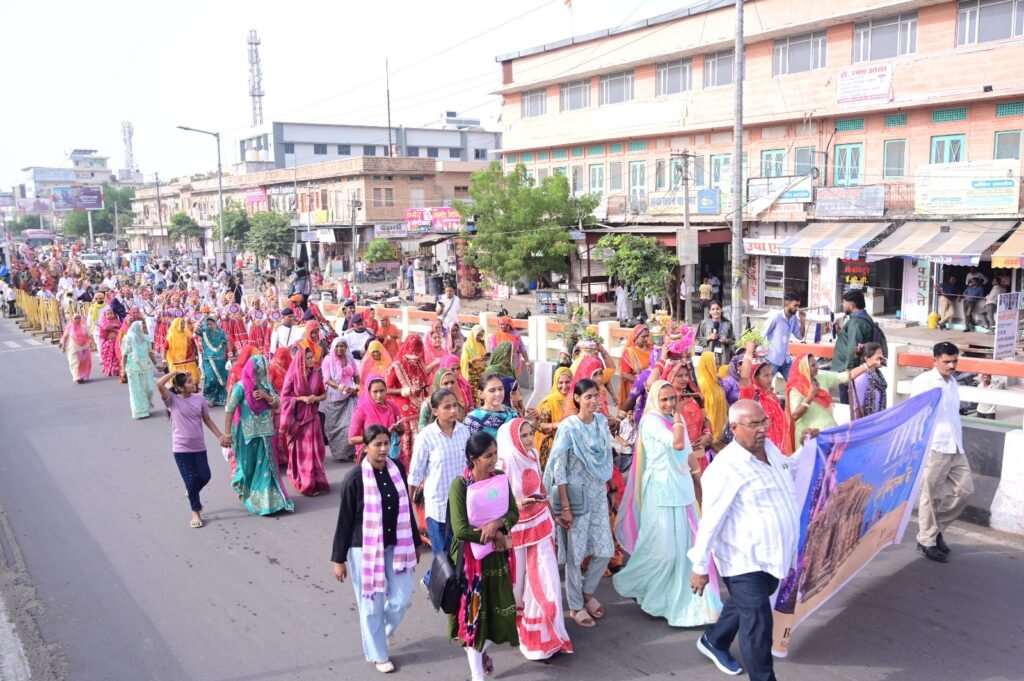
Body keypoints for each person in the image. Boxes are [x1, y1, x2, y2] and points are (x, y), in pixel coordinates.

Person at [688, 400, 801, 681]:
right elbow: (710, 519)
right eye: (754, 424)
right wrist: (700, 566)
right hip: (742, 560)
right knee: (758, 623)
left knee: (746, 605)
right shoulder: (725, 468)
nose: (762, 429)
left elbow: (789, 469)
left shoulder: (771, 451)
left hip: (773, 556)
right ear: (735, 428)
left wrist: (808, 448)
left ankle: (714, 640)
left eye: (764, 421)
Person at [614, 381, 723, 627]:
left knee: (683, 550)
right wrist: (676, 418)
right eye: (663, 399)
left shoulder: (676, 420)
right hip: (660, 491)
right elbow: (677, 444)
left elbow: (686, 455)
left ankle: (675, 601)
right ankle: (638, 583)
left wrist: (698, 480)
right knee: (663, 552)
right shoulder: (652, 422)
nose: (669, 403)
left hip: (681, 488)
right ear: (654, 400)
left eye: (672, 399)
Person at [331, 424, 422, 675]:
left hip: (397, 544)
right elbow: (345, 521)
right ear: (366, 447)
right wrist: (339, 559)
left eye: (386, 443)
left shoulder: (397, 469)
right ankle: (378, 654)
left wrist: (415, 541)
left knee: (402, 598)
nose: (383, 449)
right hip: (364, 548)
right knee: (371, 604)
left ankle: (379, 633)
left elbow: (406, 509)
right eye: (377, 444)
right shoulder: (354, 478)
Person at [495, 418, 573, 660]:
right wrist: (517, 505)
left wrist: (552, 515)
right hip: (516, 531)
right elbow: (498, 500)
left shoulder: (534, 454)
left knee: (546, 580)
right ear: (511, 438)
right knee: (518, 585)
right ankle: (524, 628)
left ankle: (548, 634)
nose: (529, 440)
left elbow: (540, 488)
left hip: (540, 527)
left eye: (531, 434)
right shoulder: (505, 462)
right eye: (525, 436)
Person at [447, 431, 519, 681]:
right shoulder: (460, 484)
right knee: (474, 617)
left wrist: (498, 524)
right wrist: (492, 535)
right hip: (470, 563)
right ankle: (477, 674)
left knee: (499, 609)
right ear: (473, 458)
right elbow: (460, 529)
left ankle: (483, 652)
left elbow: (513, 512)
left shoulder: (499, 478)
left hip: (497, 557)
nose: (494, 460)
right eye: (488, 456)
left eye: (496, 453)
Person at [545, 378, 615, 628]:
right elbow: (559, 469)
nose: (595, 400)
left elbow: (605, 458)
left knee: (605, 549)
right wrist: (564, 506)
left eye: (597, 396)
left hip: (597, 495)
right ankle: (575, 606)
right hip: (574, 498)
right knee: (575, 554)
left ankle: (586, 592)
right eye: (589, 397)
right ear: (577, 399)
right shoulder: (569, 428)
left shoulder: (601, 422)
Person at [911, 342, 973, 563]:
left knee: (965, 490)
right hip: (935, 446)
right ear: (934, 360)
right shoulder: (924, 383)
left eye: (955, 361)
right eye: (947, 361)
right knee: (930, 497)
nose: (952, 365)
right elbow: (916, 414)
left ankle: (935, 531)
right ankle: (926, 541)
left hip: (956, 445)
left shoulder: (954, 382)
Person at [409, 389, 470, 583]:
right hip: (438, 507)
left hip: (461, 504)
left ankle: (439, 584)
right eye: (447, 407)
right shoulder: (426, 437)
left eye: (455, 406)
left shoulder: (464, 431)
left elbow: (469, 466)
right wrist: (408, 508)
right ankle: (432, 584)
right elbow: (415, 473)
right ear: (435, 411)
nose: (453, 410)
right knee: (442, 555)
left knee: (458, 552)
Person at [157, 371, 232, 529]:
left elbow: (207, 420)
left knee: (205, 476)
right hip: (181, 449)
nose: (193, 383)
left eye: (193, 381)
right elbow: (159, 384)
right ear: (180, 387)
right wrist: (175, 372)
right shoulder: (172, 400)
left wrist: (220, 437)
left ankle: (191, 490)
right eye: (189, 382)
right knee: (191, 481)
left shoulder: (200, 399)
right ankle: (195, 512)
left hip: (199, 447)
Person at [224, 355, 295, 516]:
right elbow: (230, 409)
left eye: (263, 368)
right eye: (258, 368)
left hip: (266, 433)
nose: (262, 371)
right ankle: (250, 493)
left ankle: (269, 501)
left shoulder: (266, 386)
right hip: (247, 435)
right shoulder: (241, 387)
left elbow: (277, 403)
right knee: (249, 467)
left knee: (267, 467)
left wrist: (266, 396)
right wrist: (227, 433)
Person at [280, 348, 331, 496]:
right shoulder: (292, 376)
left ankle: (317, 481)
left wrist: (316, 398)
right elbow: (284, 398)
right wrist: (301, 399)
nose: (311, 361)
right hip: (298, 420)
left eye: (312, 358)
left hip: (312, 417)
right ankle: (306, 484)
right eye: (308, 358)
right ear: (301, 360)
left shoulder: (316, 375)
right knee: (304, 453)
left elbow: (324, 394)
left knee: (316, 450)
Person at [386, 335, 429, 469]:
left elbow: (424, 386)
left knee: (420, 445)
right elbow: (386, 389)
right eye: (413, 347)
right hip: (404, 412)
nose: (415, 351)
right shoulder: (398, 365)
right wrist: (404, 391)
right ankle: (403, 472)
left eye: (418, 347)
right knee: (406, 446)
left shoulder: (421, 364)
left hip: (421, 411)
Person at [737, 342, 788, 453]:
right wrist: (749, 352)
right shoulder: (752, 395)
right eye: (765, 376)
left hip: (778, 452)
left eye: (770, 374)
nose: (770, 379)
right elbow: (745, 378)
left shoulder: (771, 395)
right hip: (760, 453)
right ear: (754, 377)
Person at [833, 289, 877, 403]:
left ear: (852, 305)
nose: (843, 305)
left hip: (850, 371)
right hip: (859, 369)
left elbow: (853, 348)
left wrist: (848, 373)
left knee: (848, 406)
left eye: (844, 303)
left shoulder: (856, 323)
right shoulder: (864, 318)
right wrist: (840, 332)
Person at [322, 338, 359, 462]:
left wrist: (357, 387)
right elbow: (326, 379)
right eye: (337, 346)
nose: (339, 349)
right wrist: (340, 386)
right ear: (333, 347)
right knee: (335, 428)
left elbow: (356, 375)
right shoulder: (328, 360)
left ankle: (352, 453)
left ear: (346, 347)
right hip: (334, 398)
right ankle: (340, 454)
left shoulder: (350, 358)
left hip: (349, 397)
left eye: (342, 346)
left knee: (350, 425)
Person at [350, 376, 402, 458]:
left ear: (386, 390)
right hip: (371, 455)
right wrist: (374, 437)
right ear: (369, 392)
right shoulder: (361, 410)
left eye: (382, 391)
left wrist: (399, 430)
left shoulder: (392, 406)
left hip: (390, 452)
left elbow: (401, 431)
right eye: (375, 391)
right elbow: (351, 439)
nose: (379, 395)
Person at [534, 367, 573, 470]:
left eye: (567, 382)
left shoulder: (575, 399)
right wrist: (557, 425)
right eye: (560, 382)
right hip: (551, 447)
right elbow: (541, 426)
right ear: (555, 382)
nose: (564, 386)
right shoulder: (550, 401)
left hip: (570, 445)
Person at [762, 292, 804, 380]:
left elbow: (800, 336)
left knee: (794, 383)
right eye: (795, 305)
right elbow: (762, 334)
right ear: (787, 304)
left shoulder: (794, 318)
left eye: (798, 306)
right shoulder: (776, 317)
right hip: (772, 359)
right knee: (766, 386)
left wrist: (803, 320)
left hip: (786, 360)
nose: (797, 309)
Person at [121, 320, 158, 419]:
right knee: (137, 391)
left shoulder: (146, 339)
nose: (146, 329)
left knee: (150, 388)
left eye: (145, 327)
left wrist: (156, 364)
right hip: (133, 368)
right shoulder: (128, 339)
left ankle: (147, 404)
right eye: (144, 327)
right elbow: (124, 355)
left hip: (146, 367)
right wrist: (122, 370)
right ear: (137, 328)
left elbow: (150, 352)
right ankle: (140, 411)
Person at [695, 352, 729, 452]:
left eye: (718, 363)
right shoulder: (701, 383)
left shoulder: (717, 382)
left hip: (721, 427)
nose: (718, 367)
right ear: (707, 365)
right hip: (709, 428)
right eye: (715, 364)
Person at [483, 341, 525, 413]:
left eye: (514, 352)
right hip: (496, 407)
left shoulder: (511, 368)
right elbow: (487, 392)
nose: (514, 355)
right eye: (511, 353)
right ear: (504, 354)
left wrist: (521, 405)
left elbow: (516, 388)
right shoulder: (491, 370)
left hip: (512, 406)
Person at [268, 347, 292, 468]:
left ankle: (287, 457)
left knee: (288, 430)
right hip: (277, 403)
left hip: (288, 403)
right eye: (280, 358)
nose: (282, 361)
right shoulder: (272, 369)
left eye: (284, 358)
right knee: (277, 431)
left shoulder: (290, 368)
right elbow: (268, 386)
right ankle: (277, 457)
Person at [851, 342, 888, 420]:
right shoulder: (861, 379)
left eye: (882, 356)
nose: (882, 359)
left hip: (878, 421)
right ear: (867, 359)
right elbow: (857, 408)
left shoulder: (879, 376)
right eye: (878, 357)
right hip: (866, 424)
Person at [617, 325, 652, 406]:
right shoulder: (629, 352)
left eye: (647, 336)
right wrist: (641, 382)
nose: (646, 339)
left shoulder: (652, 348)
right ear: (636, 337)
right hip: (636, 388)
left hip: (652, 386)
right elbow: (625, 374)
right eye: (643, 337)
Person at [199, 316, 229, 406]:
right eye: (207, 324)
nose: (209, 326)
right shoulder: (204, 332)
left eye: (211, 324)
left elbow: (227, 342)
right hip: (208, 360)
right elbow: (196, 330)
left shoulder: (221, 332)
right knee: (211, 379)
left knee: (222, 379)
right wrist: (200, 321)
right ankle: (209, 398)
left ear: (215, 323)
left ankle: (219, 398)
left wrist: (230, 354)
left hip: (220, 359)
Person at [59, 312, 93, 384]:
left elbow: (89, 335)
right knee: (74, 363)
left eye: (79, 318)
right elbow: (65, 337)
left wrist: (92, 343)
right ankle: (77, 377)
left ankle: (83, 376)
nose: (78, 319)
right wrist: (62, 345)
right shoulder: (70, 327)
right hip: (73, 348)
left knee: (84, 363)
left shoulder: (84, 326)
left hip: (84, 348)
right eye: (76, 318)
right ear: (73, 319)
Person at [460, 324, 489, 406]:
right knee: (473, 396)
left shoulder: (480, 344)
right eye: (478, 335)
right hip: (472, 375)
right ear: (473, 334)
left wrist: (485, 358)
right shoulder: (467, 346)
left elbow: (482, 356)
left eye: (481, 336)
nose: (479, 337)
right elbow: (464, 361)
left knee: (481, 394)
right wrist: (475, 359)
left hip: (481, 374)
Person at [166, 318, 200, 384]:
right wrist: (164, 360)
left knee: (192, 381)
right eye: (181, 324)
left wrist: (197, 356)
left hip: (190, 362)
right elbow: (164, 350)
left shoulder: (188, 335)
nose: (183, 325)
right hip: (177, 364)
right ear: (175, 325)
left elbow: (194, 346)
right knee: (180, 383)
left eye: (184, 323)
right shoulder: (170, 337)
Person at [98, 307, 121, 377]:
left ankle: (117, 370)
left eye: (111, 313)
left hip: (117, 342)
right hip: (109, 343)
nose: (110, 315)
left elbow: (122, 327)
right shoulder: (104, 321)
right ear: (105, 316)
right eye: (108, 314)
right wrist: (113, 325)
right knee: (108, 357)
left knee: (117, 357)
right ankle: (109, 370)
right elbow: (105, 328)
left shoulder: (117, 320)